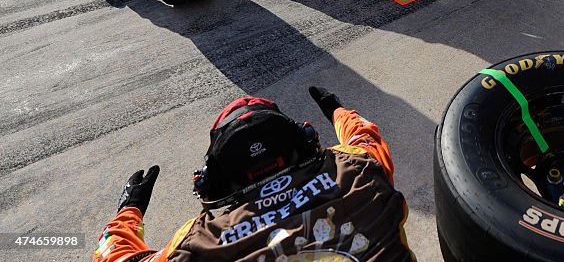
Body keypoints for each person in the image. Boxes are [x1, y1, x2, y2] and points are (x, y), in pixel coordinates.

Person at [93, 90, 415, 262]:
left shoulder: (196, 244)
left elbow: (113, 258)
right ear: (303, 143)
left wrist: (128, 211)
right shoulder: (357, 169)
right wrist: (337, 110)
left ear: (213, 181)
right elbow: (365, 137)